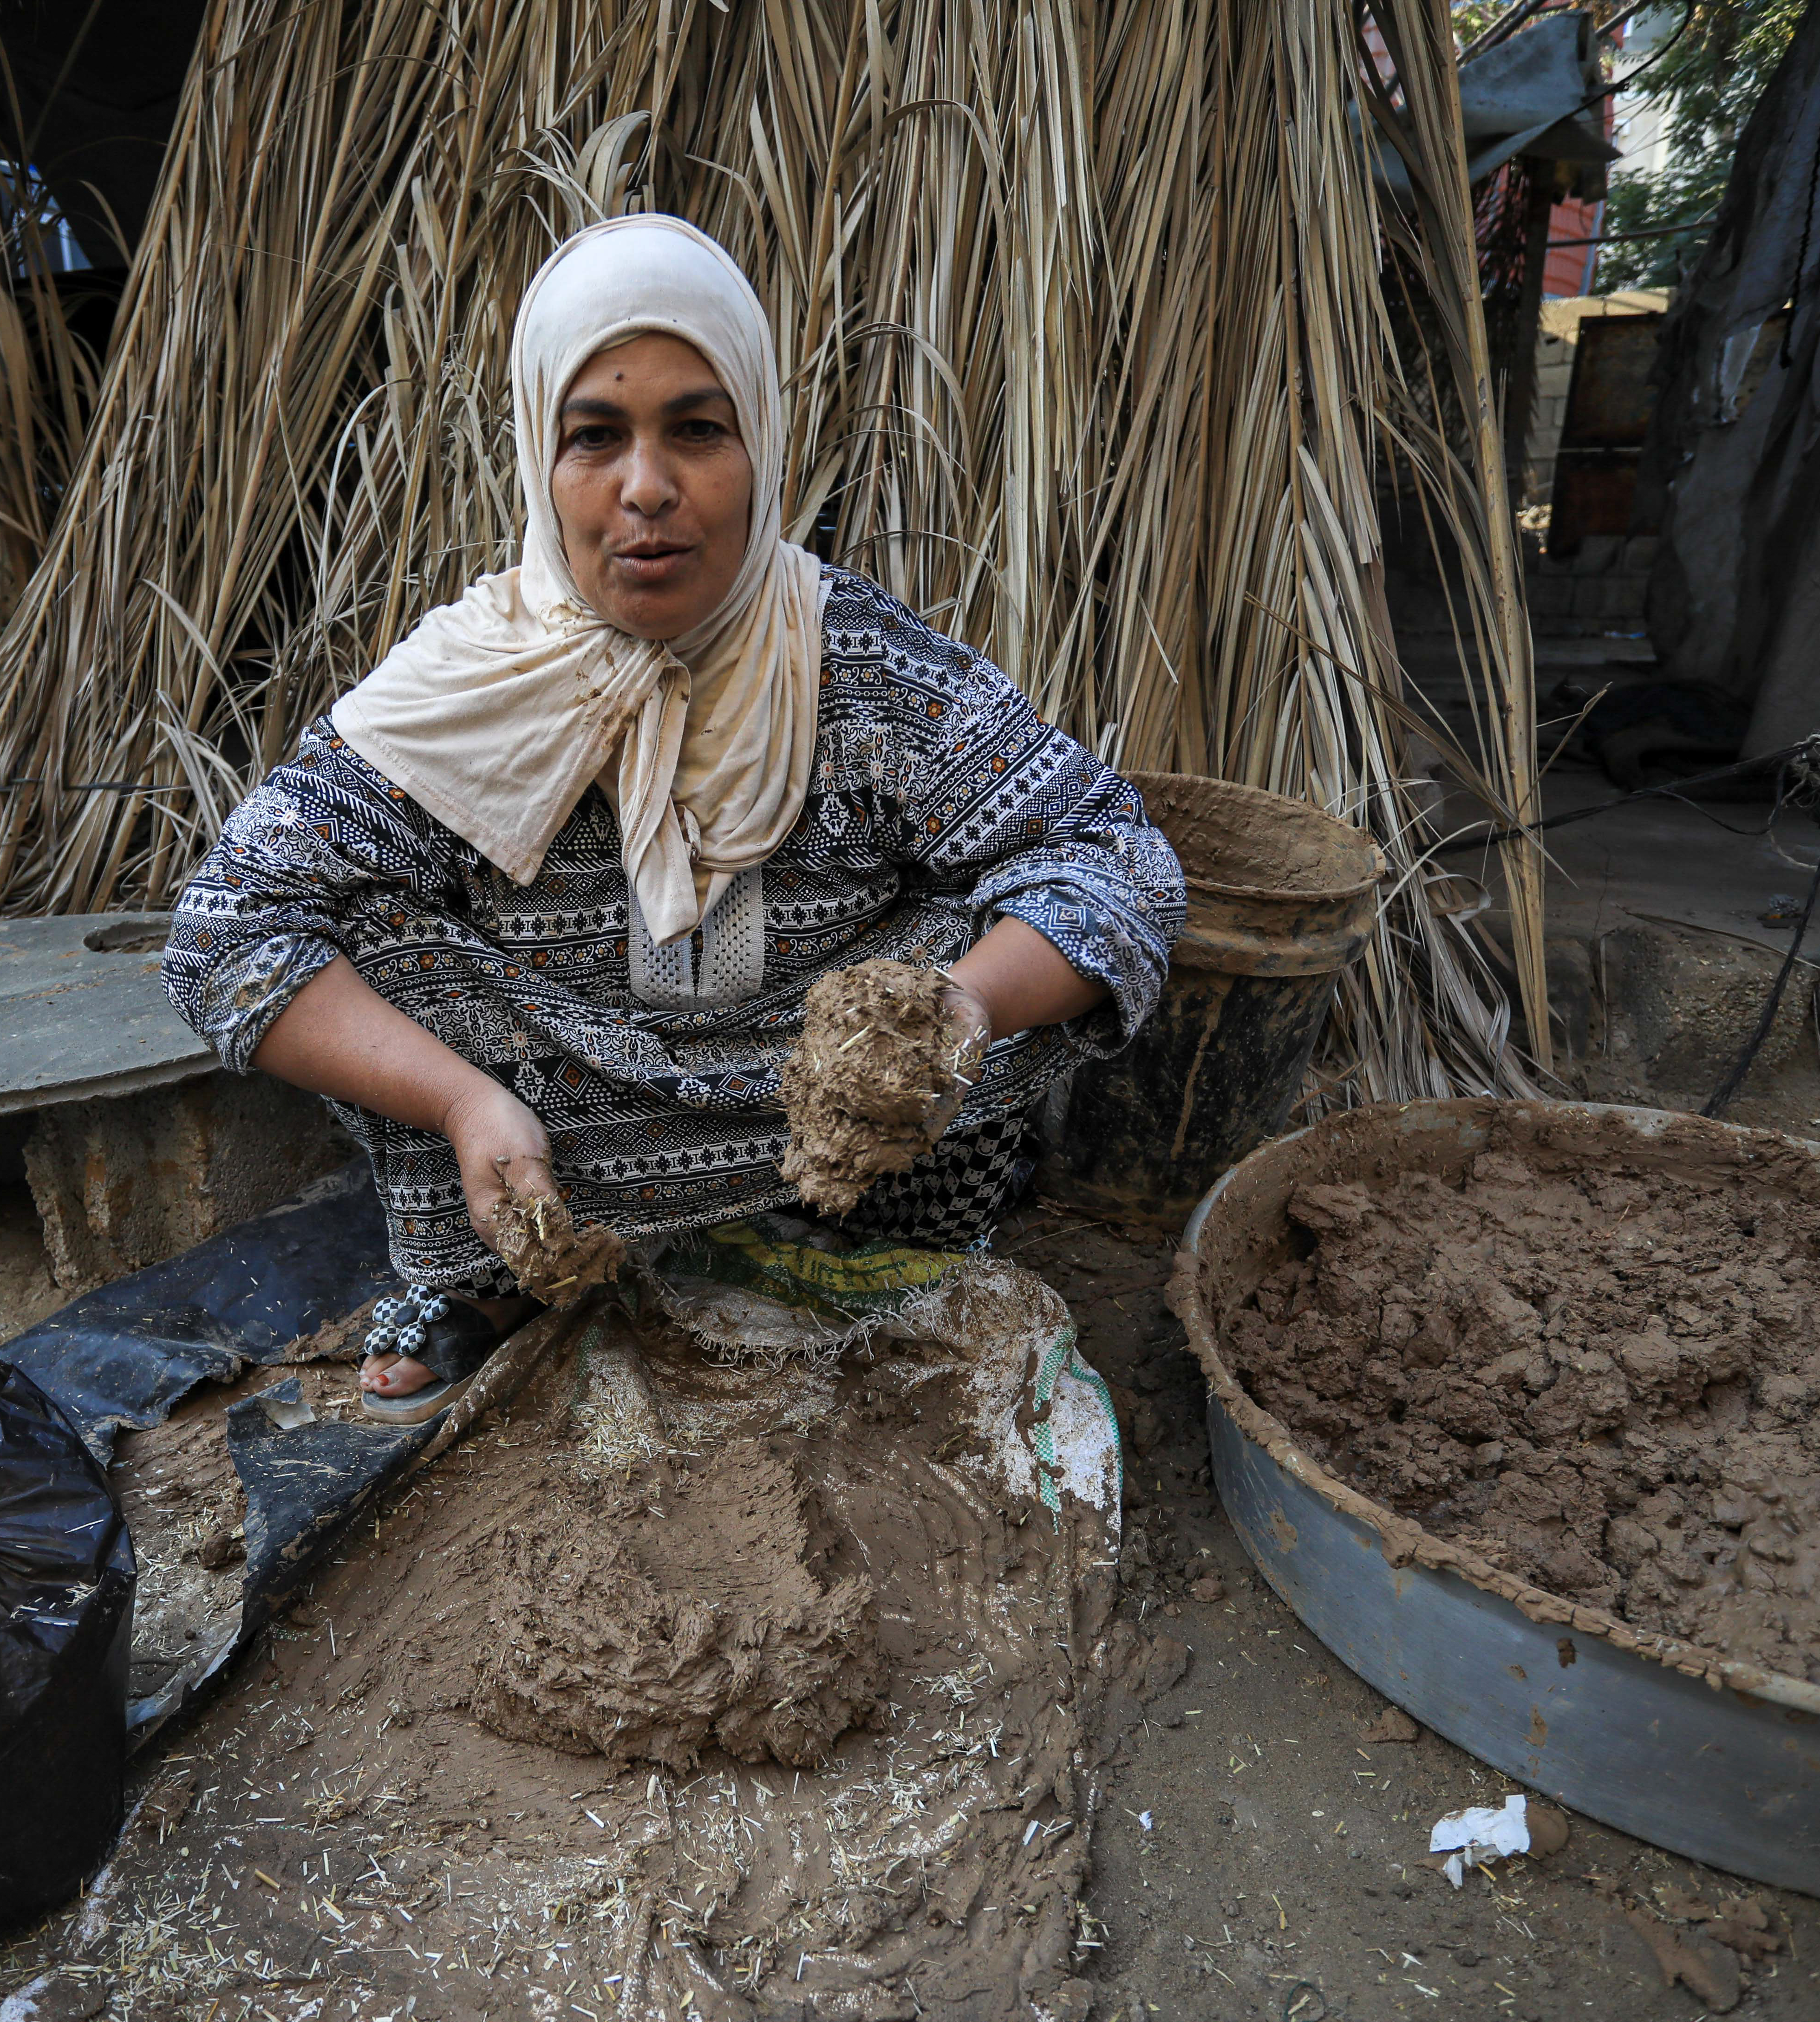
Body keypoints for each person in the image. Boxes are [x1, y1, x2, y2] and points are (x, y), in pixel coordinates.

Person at [160, 214, 1182, 1419]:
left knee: (986, 937)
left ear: (763, 446)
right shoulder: (460, 686)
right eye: (595, 437)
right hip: (561, 1099)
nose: (648, 488)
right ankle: (501, 1276)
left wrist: (953, 1012)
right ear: (540, 466)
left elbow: (1117, 856)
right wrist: (459, 1099)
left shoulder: (854, 665)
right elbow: (225, 933)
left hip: (817, 1108)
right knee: (371, 943)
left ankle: (878, 1251)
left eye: (698, 430)